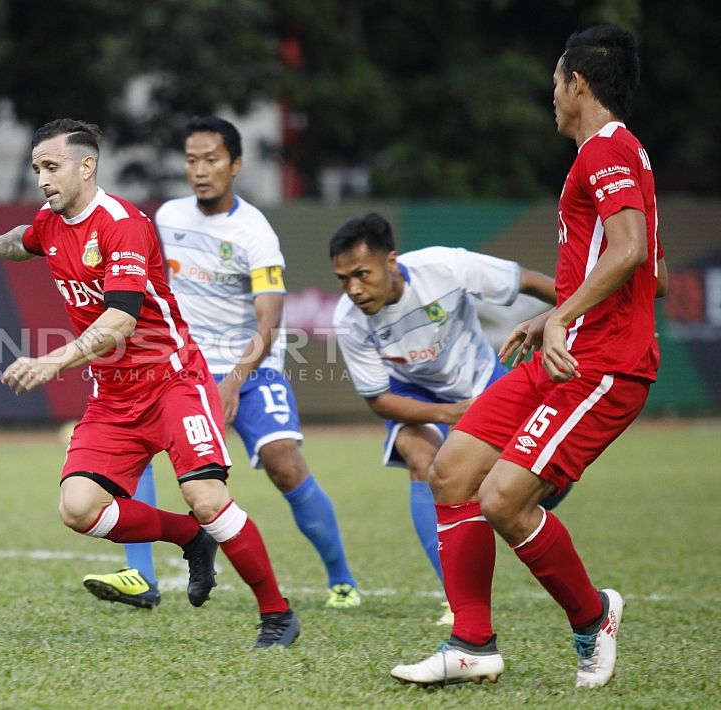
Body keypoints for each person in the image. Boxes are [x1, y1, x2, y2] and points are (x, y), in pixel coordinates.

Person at [0, 118, 300, 648]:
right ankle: (189, 538)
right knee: (78, 507)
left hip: (172, 380)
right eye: (36, 169)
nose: (42, 179)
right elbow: (25, 242)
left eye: (52, 167)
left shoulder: (123, 224)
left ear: (86, 166)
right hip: (115, 395)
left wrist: (53, 362)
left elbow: (121, 321)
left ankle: (277, 614)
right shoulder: (51, 220)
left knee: (206, 496)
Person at [390, 24, 663, 689]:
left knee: (504, 500)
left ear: (579, 84)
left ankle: (591, 616)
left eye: (555, 83)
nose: (552, 96)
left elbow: (631, 252)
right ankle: (471, 645)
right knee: (451, 470)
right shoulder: (608, 153)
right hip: (568, 350)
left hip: (602, 368)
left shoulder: (606, 151)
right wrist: (554, 316)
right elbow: (639, 266)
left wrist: (565, 316)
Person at [82, 116, 360, 612]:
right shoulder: (167, 217)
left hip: (250, 370)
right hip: (181, 368)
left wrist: (234, 380)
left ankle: (341, 578)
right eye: (191, 160)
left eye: (211, 160)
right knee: (137, 449)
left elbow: (270, 319)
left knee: (285, 465)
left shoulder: (255, 232)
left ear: (236, 164)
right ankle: (140, 575)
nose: (200, 170)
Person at [329, 213, 558, 625]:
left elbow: (526, 281)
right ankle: (456, 599)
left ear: (392, 262)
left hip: (481, 380)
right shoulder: (348, 320)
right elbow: (379, 400)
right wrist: (452, 414)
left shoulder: (445, 268)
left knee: (539, 480)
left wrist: (576, 311)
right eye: (343, 279)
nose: (354, 290)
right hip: (412, 396)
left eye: (362, 274)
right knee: (424, 463)